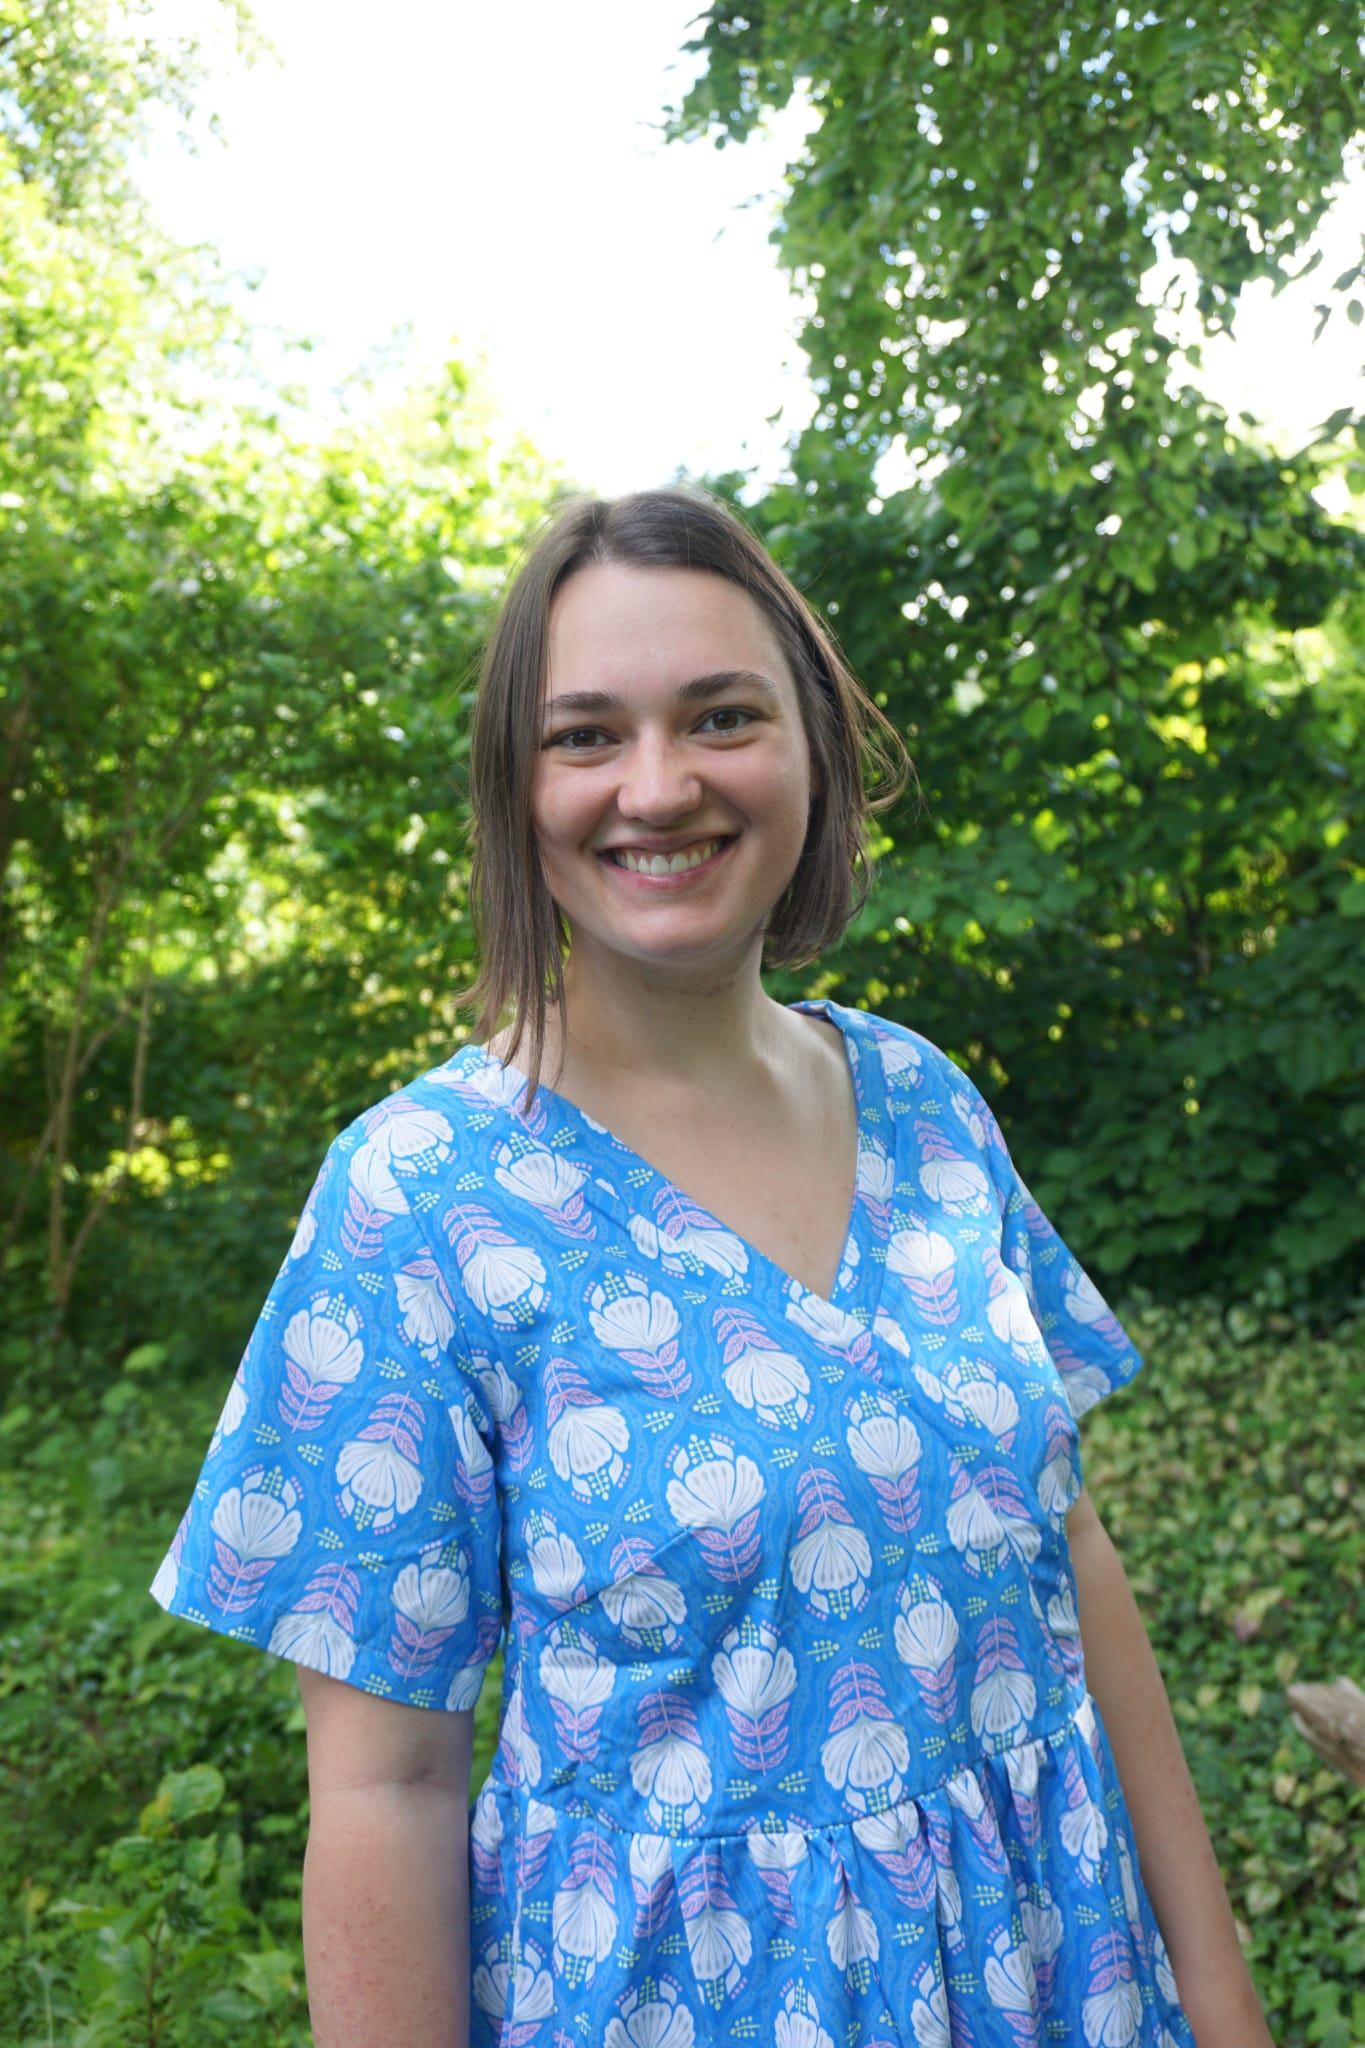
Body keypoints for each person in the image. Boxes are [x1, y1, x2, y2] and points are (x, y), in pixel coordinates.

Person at [151, 486, 1272, 2047]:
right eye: (584, 735)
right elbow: (385, 1789)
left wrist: (1215, 1992)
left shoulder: (924, 1101)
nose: (657, 785)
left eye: (720, 715)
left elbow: (1066, 1547)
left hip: (1057, 1980)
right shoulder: (418, 1200)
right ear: (514, 786)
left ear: (811, 741)